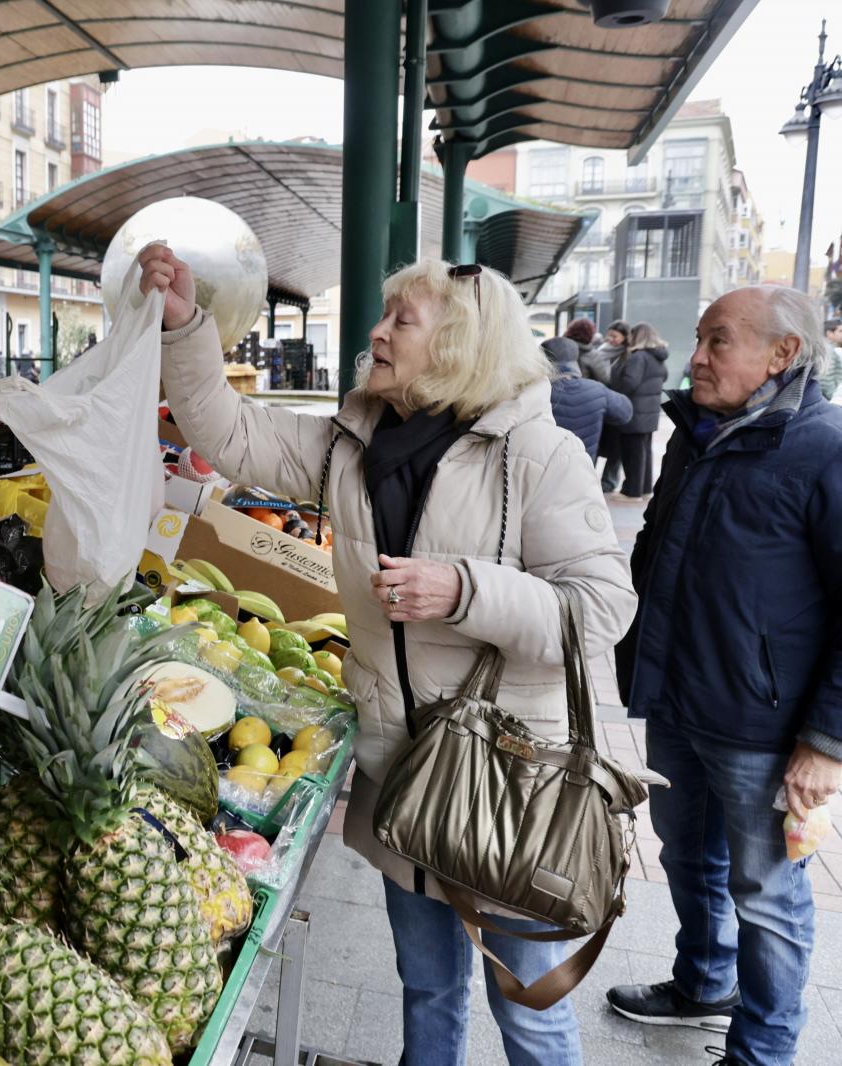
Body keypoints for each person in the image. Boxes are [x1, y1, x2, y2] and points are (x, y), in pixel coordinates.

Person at [148, 247, 636, 1066]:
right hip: (403, 775)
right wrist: (186, 327)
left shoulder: (537, 456)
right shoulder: (351, 444)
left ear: (458, 343)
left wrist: (466, 592)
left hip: (506, 787)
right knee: (426, 987)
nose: (374, 334)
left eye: (398, 321)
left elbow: (602, 612)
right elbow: (227, 431)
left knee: (530, 1011)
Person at [609, 286, 842, 1066]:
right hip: (678, 699)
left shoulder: (824, 448)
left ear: (783, 354)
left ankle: (764, 1051)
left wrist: (827, 740)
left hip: (766, 729)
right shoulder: (695, 435)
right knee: (686, 858)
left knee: (768, 895)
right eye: (699, 340)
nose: (697, 357)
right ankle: (704, 982)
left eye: (718, 341)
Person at [605, 322, 670, 497]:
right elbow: (664, 377)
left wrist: (614, 390)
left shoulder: (638, 357)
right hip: (650, 413)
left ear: (638, 336)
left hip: (634, 412)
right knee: (644, 452)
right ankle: (645, 488)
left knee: (632, 453)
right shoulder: (657, 357)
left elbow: (630, 382)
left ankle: (631, 490)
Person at [541, 336, 633, 459]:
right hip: (584, 469)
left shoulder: (536, 392)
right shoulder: (597, 390)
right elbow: (625, 413)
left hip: (545, 468)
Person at [584, 321, 631, 491]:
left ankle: (609, 482)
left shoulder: (628, 354)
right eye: (609, 335)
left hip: (616, 402)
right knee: (595, 441)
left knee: (615, 447)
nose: (610, 339)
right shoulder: (600, 350)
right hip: (599, 402)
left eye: (615, 336)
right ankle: (588, 479)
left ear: (625, 338)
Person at [820, 317, 842, 400]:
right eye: (840, 331)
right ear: (829, 333)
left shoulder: (830, 348)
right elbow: (825, 380)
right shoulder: (826, 350)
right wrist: (836, 399)